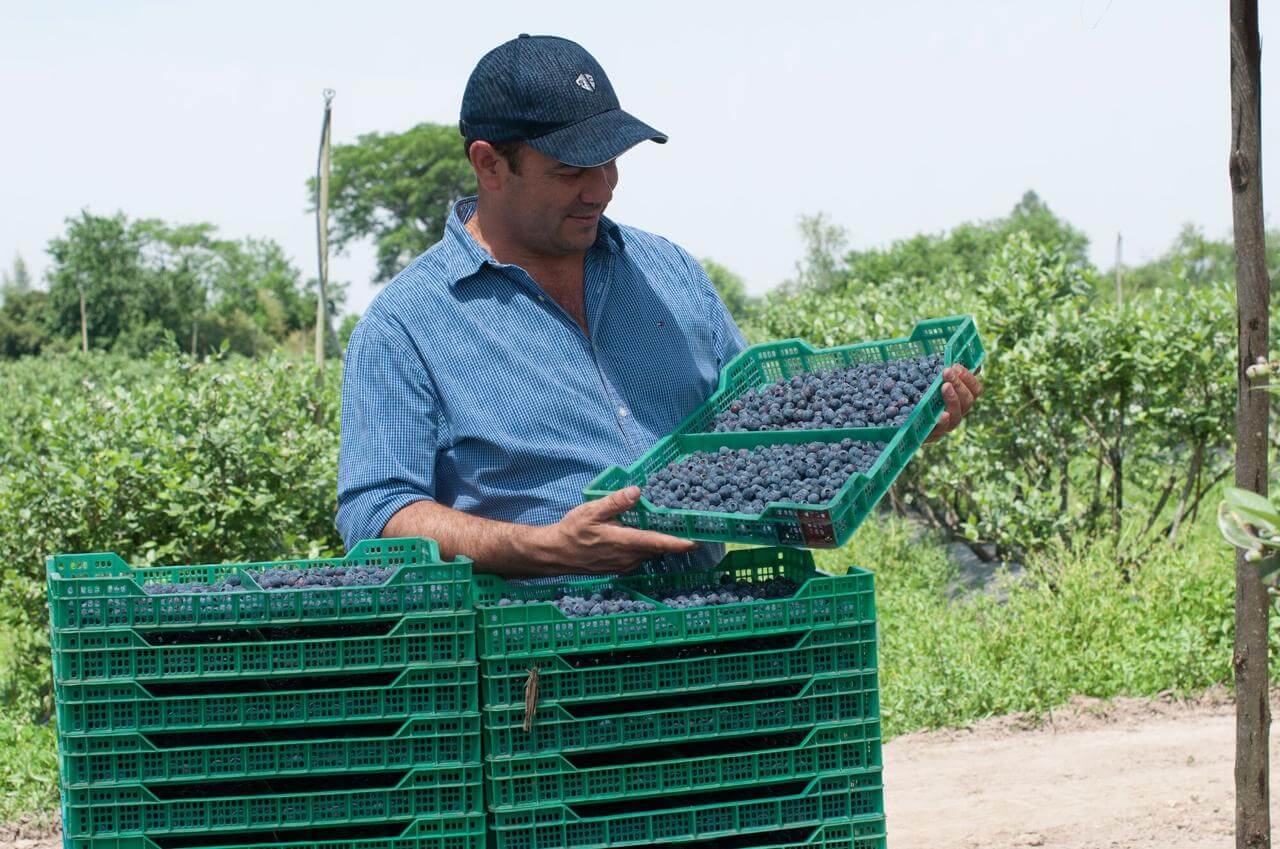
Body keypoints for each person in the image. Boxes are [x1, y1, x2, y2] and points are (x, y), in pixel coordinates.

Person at [336, 34, 981, 578]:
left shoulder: (668, 273)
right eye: (571, 170)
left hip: (704, 631)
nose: (602, 188)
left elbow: (755, 436)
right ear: (490, 164)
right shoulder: (406, 326)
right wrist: (548, 547)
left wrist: (887, 434)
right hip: (539, 656)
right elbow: (376, 515)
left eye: (612, 162)